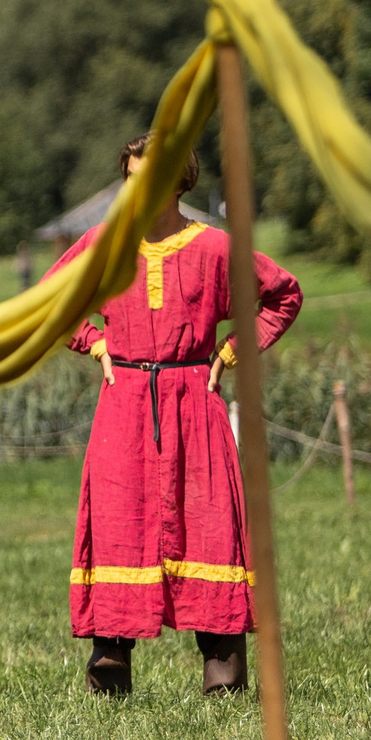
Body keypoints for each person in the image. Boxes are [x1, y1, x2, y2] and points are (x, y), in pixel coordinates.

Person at [54, 132, 301, 697]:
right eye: (131, 178)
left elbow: (283, 295)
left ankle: (224, 678)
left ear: (178, 181)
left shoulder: (215, 248)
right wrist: (94, 342)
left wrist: (231, 352)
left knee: (210, 525)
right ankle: (109, 672)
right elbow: (51, 300)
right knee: (119, 525)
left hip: (195, 401)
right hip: (124, 403)